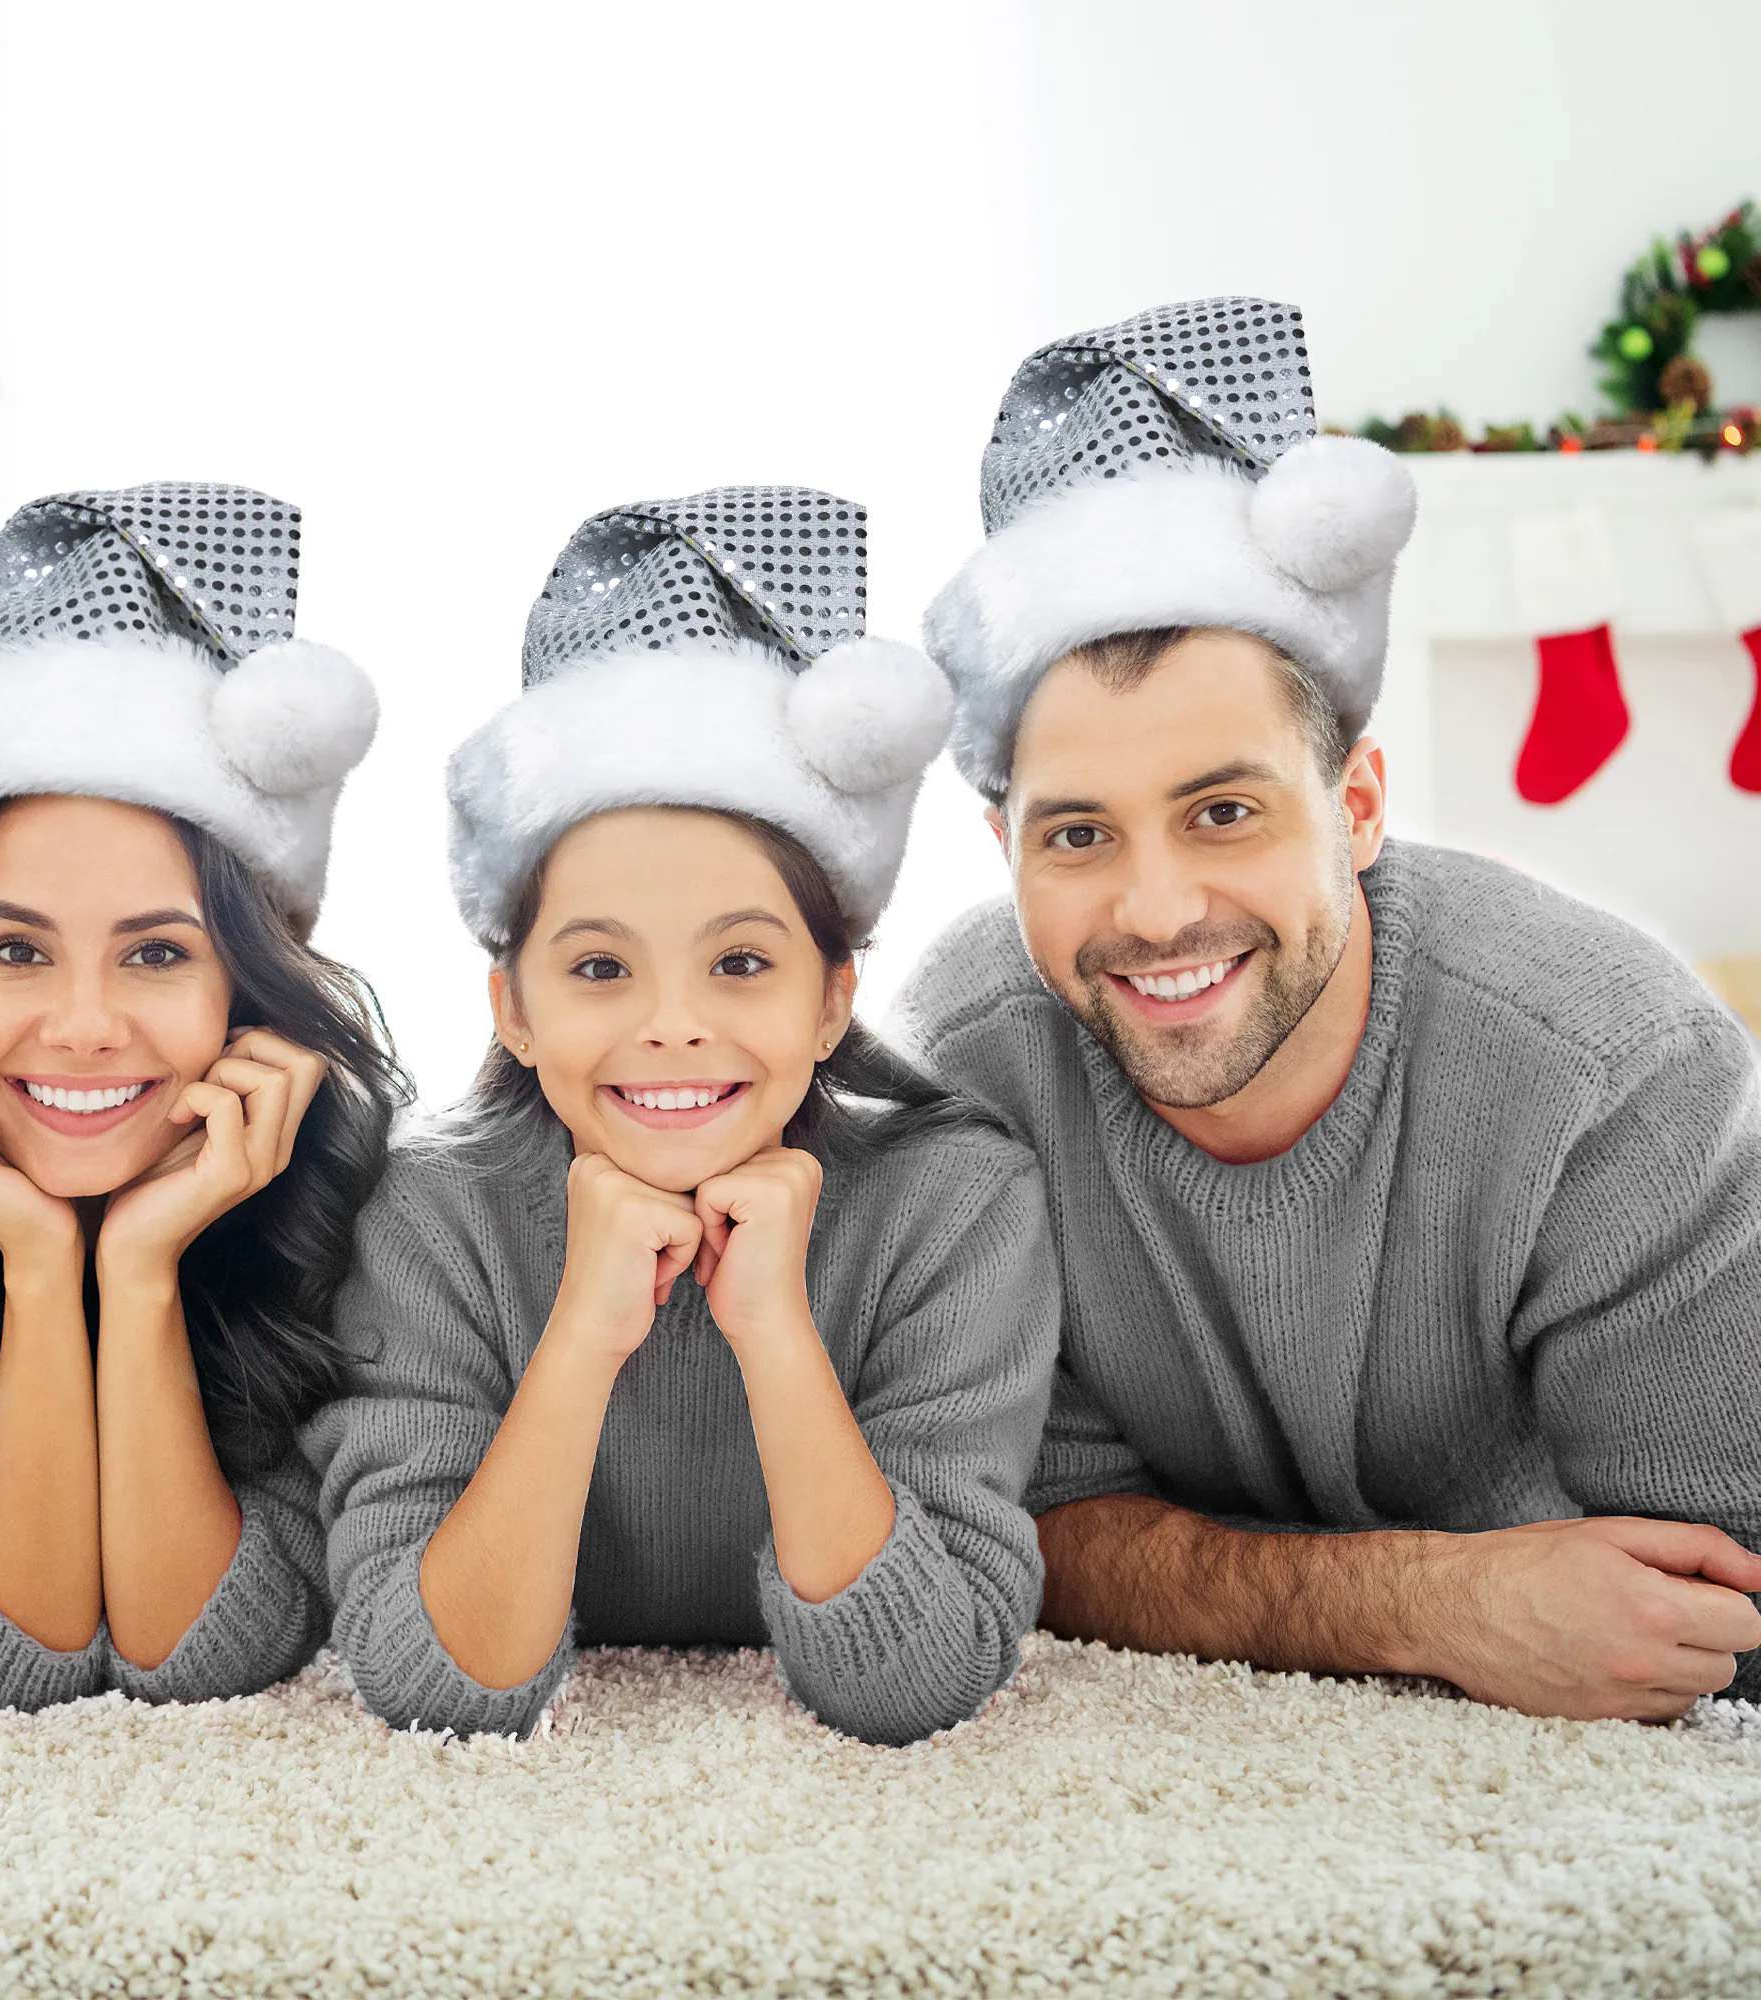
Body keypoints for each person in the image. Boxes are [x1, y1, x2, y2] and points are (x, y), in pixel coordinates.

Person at [894, 298, 1761, 1720]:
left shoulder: (1619, 1071)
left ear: (1355, 805)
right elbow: (1007, 1525)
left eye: (1223, 811)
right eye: (1078, 834)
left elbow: (1712, 1610)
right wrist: (1431, 1603)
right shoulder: (968, 1062)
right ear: (1004, 850)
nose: (1154, 911)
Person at [304, 486, 1058, 1745]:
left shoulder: (955, 1201)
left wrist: (773, 1330)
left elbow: (916, 1683)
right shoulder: (429, 1211)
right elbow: (437, 1687)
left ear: (831, 998)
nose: (671, 1025)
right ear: (514, 1006)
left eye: (741, 963)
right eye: (599, 967)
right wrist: (580, 1338)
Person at [0, 483, 409, 1711]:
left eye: (157, 952)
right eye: (15, 949)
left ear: (243, 987)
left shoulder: (341, 1150)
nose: (83, 1025)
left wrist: (143, 1265)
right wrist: (38, 1260)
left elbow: (205, 1645)